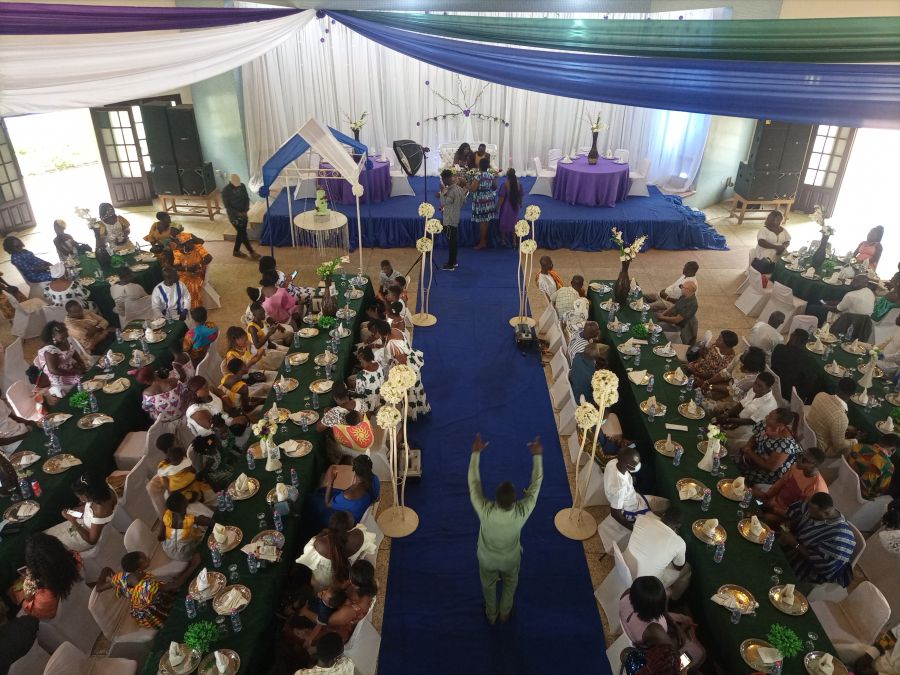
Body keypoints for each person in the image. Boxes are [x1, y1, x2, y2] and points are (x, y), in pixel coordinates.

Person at [468, 433, 543, 624]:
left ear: (495, 498)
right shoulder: (522, 511)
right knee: (510, 583)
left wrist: (475, 453)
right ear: (515, 500)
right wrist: (537, 456)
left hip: (487, 559)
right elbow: (535, 488)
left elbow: (474, 484)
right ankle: (505, 612)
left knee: (488, 585)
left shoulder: (484, 510)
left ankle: (491, 614)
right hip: (511, 559)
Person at [618, 576, 706, 669]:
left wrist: (675, 625)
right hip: (653, 653)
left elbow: (660, 611)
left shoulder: (628, 593)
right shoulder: (655, 631)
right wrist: (682, 630)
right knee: (698, 653)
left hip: (633, 628)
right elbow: (673, 651)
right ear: (655, 609)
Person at [780, 492, 856, 587]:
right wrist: (790, 523)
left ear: (826, 513)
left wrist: (795, 544)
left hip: (806, 571)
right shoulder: (815, 508)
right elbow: (798, 511)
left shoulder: (840, 539)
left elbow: (823, 566)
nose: (809, 513)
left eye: (812, 512)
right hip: (791, 550)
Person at [96, 552, 183, 630]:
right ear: (138, 570)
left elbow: (98, 588)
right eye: (145, 559)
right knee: (175, 604)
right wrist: (190, 568)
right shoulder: (146, 586)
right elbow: (176, 585)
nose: (148, 557)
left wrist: (106, 569)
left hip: (139, 606)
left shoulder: (120, 577)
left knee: (167, 588)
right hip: (150, 612)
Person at [7, 533, 82, 620]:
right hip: (74, 598)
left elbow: (29, 606)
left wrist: (24, 597)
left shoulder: (44, 598)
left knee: (12, 591)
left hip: (53, 615)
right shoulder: (76, 561)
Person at [295, 511, 376, 591]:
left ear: (331, 525)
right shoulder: (360, 535)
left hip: (325, 579)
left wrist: (322, 533)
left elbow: (307, 554)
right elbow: (363, 551)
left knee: (316, 586)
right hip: (345, 574)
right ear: (351, 526)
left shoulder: (320, 544)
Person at [623, 507, 691, 601]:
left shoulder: (642, 518)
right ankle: (675, 598)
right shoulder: (679, 543)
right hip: (648, 584)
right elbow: (678, 567)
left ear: (663, 515)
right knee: (687, 568)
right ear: (679, 525)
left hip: (625, 565)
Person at [370, 320, 430, 418]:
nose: (373, 334)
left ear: (380, 332)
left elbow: (403, 361)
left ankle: (410, 413)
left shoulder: (393, 344)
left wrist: (402, 379)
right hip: (410, 359)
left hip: (405, 368)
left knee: (408, 391)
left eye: (375, 332)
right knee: (414, 390)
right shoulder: (394, 330)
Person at [755, 447, 828, 526]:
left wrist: (775, 510)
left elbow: (799, 516)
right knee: (751, 495)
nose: (798, 460)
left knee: (764, 518)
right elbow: (781, 483)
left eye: (804, 460)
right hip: (773, 503)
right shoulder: (797, 467)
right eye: (800, 455)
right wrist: (766, 496)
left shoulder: (817, 490)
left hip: (785, 517)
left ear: (814, 464)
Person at [45, 473, 117, 552]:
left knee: (52, 544)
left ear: (92, 495)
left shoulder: (99, 513)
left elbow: (92, 541)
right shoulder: (105, 489)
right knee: (49, 535)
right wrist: (84, 508)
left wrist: (73, 521)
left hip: (86, 534)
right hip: (87, 523)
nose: (81, 500)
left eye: (82, 497)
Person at [737, 408, 803, 487]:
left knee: (740, 475)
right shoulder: (765, 424)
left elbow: (770, 468)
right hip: (758, 459)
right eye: (769, 414)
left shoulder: (785, 444)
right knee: (735, 462)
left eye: (770, 417)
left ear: (780, 424)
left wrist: (749, 452)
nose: (766, 417)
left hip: (771, 474)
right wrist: (749, 446)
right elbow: (755, 437)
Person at [605, 445, 666, 529]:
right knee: (660, 526)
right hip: (631, 510)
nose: (638, 465)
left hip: (635, 498)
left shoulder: (612, 462)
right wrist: (633, 529)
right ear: (628, 466)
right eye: (635, 464)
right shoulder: (620, 488)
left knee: (666, 504)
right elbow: (615, 513)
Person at [699, 346, 768, 415]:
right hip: (724, 386)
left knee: (705, 407)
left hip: (733, 399)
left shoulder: (752, 379)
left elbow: (732, 391)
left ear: (750, 361)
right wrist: (708, 382)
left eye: (745, 354)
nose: (742, 353)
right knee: (699, 394)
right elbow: (725, 373)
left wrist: (711, 386)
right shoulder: (740, 358)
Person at [715, 372, 779, 445]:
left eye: (760, 386)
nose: (755, 387)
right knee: (716, 419)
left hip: (748, 429)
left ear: (768, 387)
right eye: (755, 383)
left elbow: (752, 421)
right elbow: (741, 405)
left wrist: (729, 420)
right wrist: (727, 414)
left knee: (720, 435)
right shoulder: (753, 390)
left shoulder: (769, 404)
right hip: (737, 419)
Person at [151, 435, 213, 504]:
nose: (180, 443)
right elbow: (166, 484)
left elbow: (192, 470)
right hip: (183, 491)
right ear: (170, 449)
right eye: (177, 442)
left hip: (194, 484)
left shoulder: (181, 457)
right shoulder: (163, 466)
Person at [34, 321, 86, 400]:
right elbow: (53, 370)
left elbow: (73, 352)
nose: (66, 338)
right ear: (53, 336)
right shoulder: (50, 350)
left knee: (89, 373)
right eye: (62, 334)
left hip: (70, 368)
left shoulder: (63, 340)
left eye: (65, 332)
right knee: (84, 380)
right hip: (59, 376)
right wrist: (74, 372)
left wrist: (81, 364)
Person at [806, 377, 857, 457]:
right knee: (848, 448)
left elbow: (827, 418)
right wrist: (854, 441)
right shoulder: (841, 419)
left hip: (806, 432)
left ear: (837, 387)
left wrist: (845, 427)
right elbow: (839, 446)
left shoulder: (821, 395)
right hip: (818, 448)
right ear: (852, 394)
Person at [771, 328, 823, 403]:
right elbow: (809, 384)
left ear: (792, 338)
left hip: (772, 385)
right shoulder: (808, 360)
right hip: (789, 395)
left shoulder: (779, 348)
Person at [806, 273, 876, 327]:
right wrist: (831, 303)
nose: (852, 282)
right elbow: (847, 304)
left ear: (865, 284)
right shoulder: (870, 292)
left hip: (846, 321)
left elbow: (836, 310)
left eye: (857, 281)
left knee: (812, 308)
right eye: (854, 280)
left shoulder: (851, 295)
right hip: (862, 324)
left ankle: (815, 328)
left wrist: (825, 305)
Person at [159, 492, 212, 563]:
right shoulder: (188, 520)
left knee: (193, 531)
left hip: (167, 548)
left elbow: (160, 537)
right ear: (185, 503)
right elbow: (211, 523)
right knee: (205, 534)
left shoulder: (166, 515)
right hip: (182, 554)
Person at [848, 433, 899, 499]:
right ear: (893, 450)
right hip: (863, 493)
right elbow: (881, 489)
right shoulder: (889, 466)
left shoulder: (857, 446)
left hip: (846, 478)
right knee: (896, 488)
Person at [137, 365, 186, 432]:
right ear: (155, 372)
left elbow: (147, 409)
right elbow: (185, 392)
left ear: (145, 382)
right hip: (183, 412)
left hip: (165, 421)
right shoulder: (174, 380)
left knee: (150, 411)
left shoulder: (147, 393)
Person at [221, 174, 257, 258]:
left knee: (241, 233)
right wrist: (238, 213)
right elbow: (227, 206)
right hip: (234, 217)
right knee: (242, 234)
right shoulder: (225, 191)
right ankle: (251, 252)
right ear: (230, 182)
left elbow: (246, 198)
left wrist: (246, 210)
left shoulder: (242, 186)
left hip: (244, 214)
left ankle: (236, 251)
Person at [172, 236, 211, 309]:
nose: (189, 245)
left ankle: (195, 307)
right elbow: (177, 266)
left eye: (190, 242)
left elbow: (209, 258)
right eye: (185, 244)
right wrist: (188, 269)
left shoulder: (198, 247)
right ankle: (184, 305)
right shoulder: (177, 252)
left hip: (197, 274)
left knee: (193, 286)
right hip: (184, 274)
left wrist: (199, 265)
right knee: (179, 286)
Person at [439, 168, 466, 270]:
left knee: (451, 243)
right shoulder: (459, 189)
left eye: (443, 179)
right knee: (453, 241)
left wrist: (442, 193)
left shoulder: (450, 191)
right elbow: (464, 201)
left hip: (449, 219)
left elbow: (443, 203)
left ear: (446, 179)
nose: (443, 182)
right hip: (456, 217)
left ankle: (451, 264)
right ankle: (454, 262)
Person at [469, 157, 496, 250]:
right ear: (488, 166)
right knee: (486, 221)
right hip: (489, 199)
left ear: (479, 166)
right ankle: (484, 240)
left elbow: (473, 189)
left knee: (482, 222)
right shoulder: (491, 175)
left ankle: (482, 242)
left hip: (481, 201)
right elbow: (495, 187)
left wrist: (466, 184)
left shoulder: (478, 176)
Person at [347, 346, 384, 413]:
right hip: (379, 394)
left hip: (369, 403)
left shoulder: (361, 375)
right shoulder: (378, 364)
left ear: (362, 358)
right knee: (350, 379)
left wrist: (349, 392)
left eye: (359, 359)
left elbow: (359, 394)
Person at [496, 168, 522, 248]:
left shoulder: (505, 185)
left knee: (503, 222)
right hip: (515, 206)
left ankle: (503, 240)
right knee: (513, 223)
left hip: (506, 206)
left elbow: (501, 199)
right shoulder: (518, 184)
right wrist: (520, 204)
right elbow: (520, 196)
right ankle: (514, 242)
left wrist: (496, 207)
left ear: (507, 175)